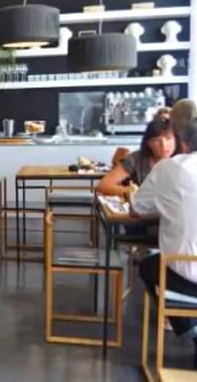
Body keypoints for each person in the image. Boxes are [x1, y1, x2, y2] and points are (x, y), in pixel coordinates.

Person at [132, 118, 197, 368]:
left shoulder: (168, 168)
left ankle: (189, 328)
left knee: (148, 266)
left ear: (183, 143)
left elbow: (136, 209)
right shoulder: (141, 160)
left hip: (188, 276)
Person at [97, 118, 177, 197]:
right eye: (156, 140)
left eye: (168, 139)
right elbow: (103, 185)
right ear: (149, 143)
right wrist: (132, 192)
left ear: (176, 140)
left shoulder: (184, 160)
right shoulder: (136, 159)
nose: (163, 145)